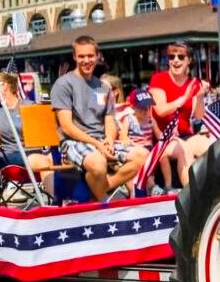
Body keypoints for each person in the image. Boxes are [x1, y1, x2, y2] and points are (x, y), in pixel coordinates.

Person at [51, 36, 148, 201]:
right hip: (74, 142)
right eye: (81, 56)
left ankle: (104, 187)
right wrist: (97, 145)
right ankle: (101, 204)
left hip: (101, 141)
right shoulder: (63, 84)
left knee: (144, 155)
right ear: (74, 57)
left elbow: (109, 119)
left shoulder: (103, 87)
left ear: (97, 56)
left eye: (90, 56)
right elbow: (67, 127)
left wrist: (109, 140)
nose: (86, 60)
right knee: (98, 164)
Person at [148, 41, 211, 187]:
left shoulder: (194, 83)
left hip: (186, 135)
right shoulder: (159, 79)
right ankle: (192, 197)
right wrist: (183, 99)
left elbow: (199, 116)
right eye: (171, 57)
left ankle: (214, 190)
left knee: (214, 147)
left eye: (181, 57)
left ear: (189, 60)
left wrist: (200, 96)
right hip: (164, 138)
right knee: (185, 150)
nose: (175, 60)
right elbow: (161, 111)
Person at [0, 72, 51, 177]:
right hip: (10, 154)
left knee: (53, 158)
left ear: (4, 86)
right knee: (43, 161)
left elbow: (45, 135)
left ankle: (53, 191)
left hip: (34, 152)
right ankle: (51, 193)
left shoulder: (29, 106)